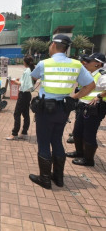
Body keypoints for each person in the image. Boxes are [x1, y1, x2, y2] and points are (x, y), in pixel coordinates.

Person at [29, 34, 95, 189]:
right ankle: (58, 178)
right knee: (57, 140)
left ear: (53, 45)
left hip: (46, 109)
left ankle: (45, 179)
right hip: (63, 108)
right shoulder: (77, 65)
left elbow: (33, 77)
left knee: (44, 142)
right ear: (67, 48)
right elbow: (90, 85)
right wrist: (75, 97)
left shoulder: (44, 63)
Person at [66, 53, 106, 166]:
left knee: (89, 134)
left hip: (94, 108)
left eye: (89, 61)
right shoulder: (91, 74)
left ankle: (88, 160)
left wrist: (99, 96)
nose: (86, 63)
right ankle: (79, 153)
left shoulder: (102, 75)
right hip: (84, 106)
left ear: (98, 64)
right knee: (78, 132)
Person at [6, 55, 35, 140]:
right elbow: (26, 82)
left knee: (17, 113)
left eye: (23, 61)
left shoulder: (27, 71)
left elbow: (23, 84)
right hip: (27, 95)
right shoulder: (30, 70)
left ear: (25, 62)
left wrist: (16, 82)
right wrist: (20, 80)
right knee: (26, 114)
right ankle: (24, 132)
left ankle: (14, 133)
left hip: (23, 94)